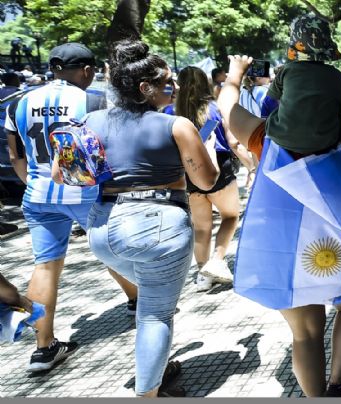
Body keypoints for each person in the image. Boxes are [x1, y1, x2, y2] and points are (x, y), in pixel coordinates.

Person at [217, 13, 341, 397]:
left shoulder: (261, 140)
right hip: (334, 249)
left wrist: (236, 73)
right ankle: (338, 385)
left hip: (285, 250)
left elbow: (226, 107)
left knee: (305, 334)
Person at [57, 40, 218, 397]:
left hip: (102, 230)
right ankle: (148, 393)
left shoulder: (90, 121)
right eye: (166, 82)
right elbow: (206, 181)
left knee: (152, 299)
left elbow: (60, 174)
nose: (173, 87)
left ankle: (155, 369)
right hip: (159, 228)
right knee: (155, 315)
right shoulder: (177, 126)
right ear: (145, 88)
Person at [5, 42, 138, 373]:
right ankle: (142, 303)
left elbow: (15, 156)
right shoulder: (95, 99)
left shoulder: (19, 102)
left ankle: (43, 348)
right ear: (88, 71)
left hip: (38, 193)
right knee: (110, 248)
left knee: (46, 266)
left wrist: (37, 184)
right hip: (86, 192)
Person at [167, 66, 238, 291]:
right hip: (220, 171)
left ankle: (202, 275)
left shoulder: (169, 113)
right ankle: (217, 260)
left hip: (188, 176)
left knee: (201, 227)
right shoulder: (215, 109)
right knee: (230, 216)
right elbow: (232, 141)